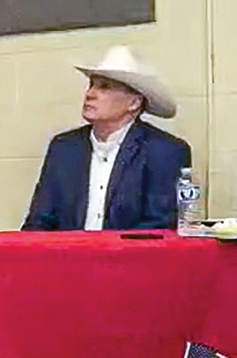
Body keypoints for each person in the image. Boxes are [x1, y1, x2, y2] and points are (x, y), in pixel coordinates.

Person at [23, 46, 191, 232]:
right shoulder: (64, 148)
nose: (90, 94)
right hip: (67, 258)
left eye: (104, 87)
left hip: (129, 259)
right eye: (91, 85)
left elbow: (159, 227)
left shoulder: (164, 151)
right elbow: (39, 222)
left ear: (134, 103)